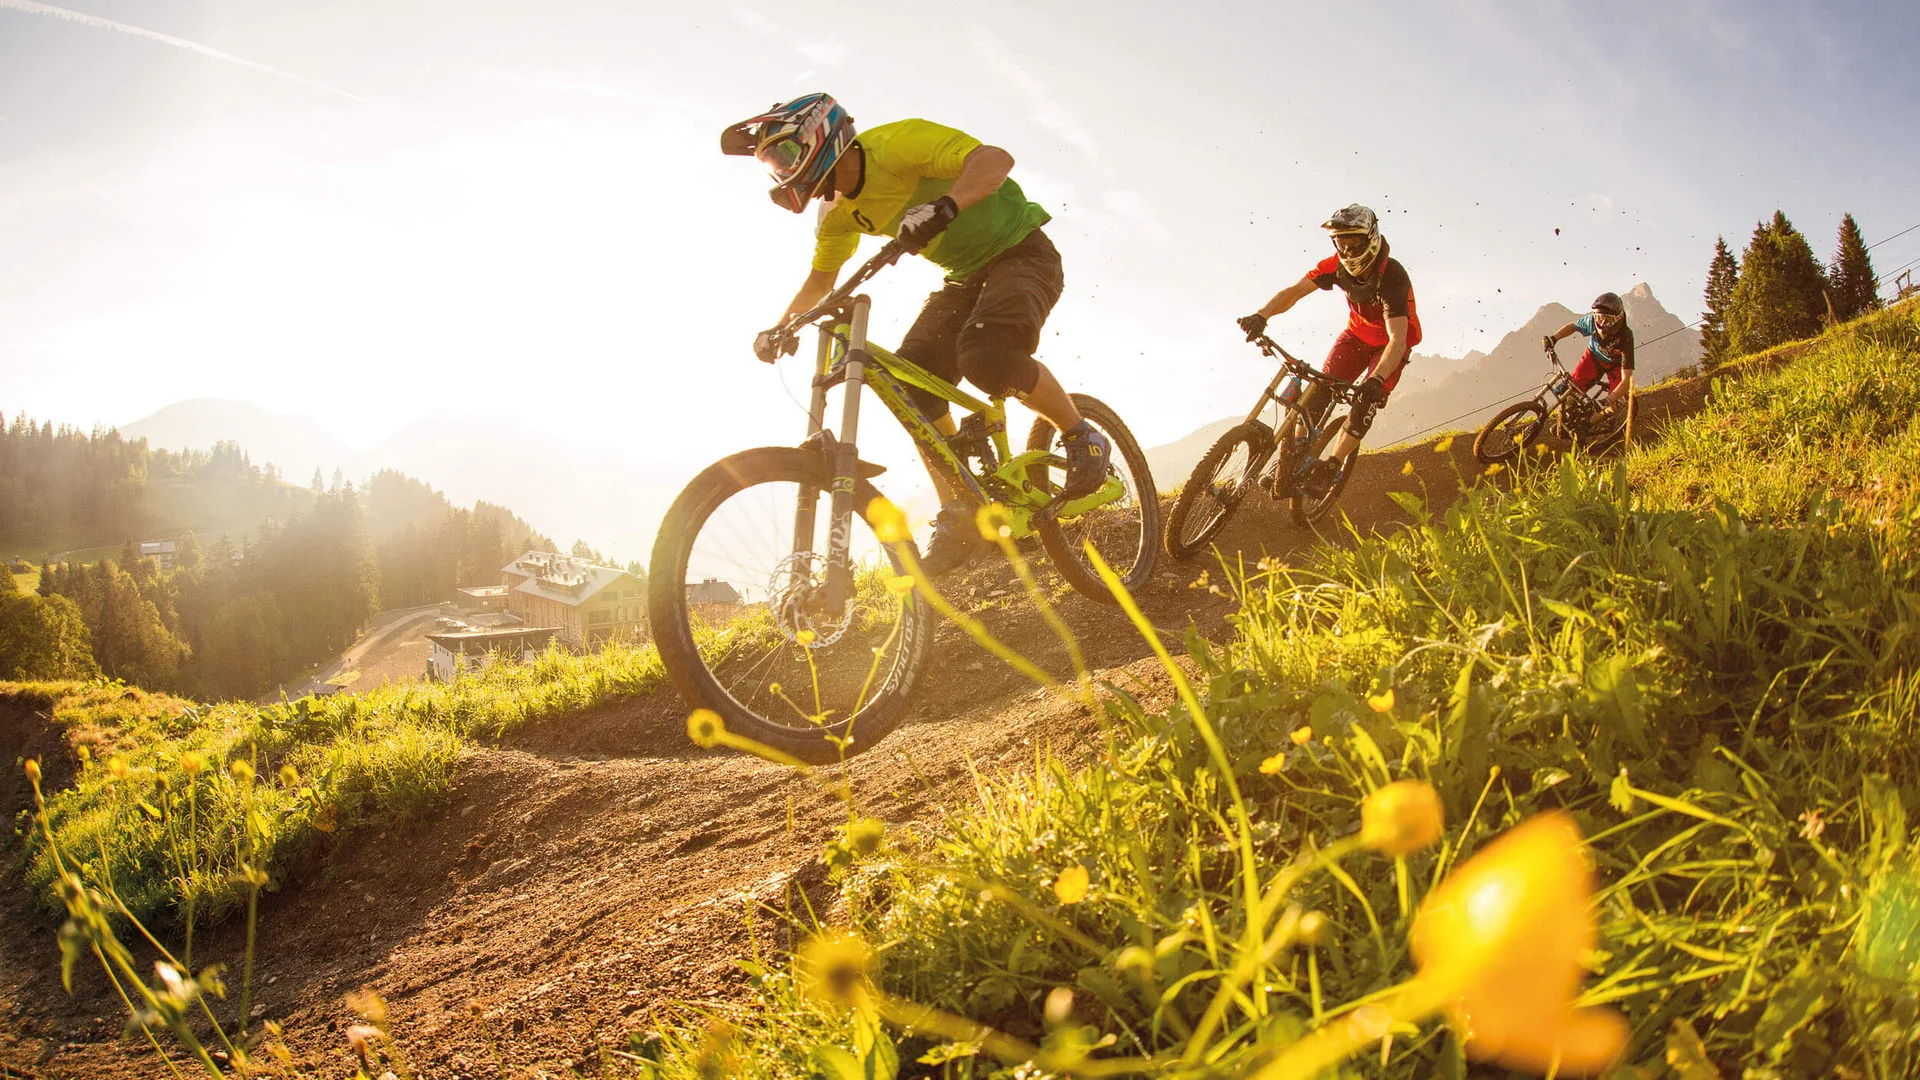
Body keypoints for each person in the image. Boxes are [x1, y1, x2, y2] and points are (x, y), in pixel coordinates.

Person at [723, 93, 1110, 576]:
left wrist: (948, 203)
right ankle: (963, 507)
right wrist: (782, 327)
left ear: (818, 133)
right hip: (965, 276)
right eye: (772, 166)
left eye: (783, 156)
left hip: (1021, 251)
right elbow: (822, 281)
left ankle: (1080, 433)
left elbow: (994, 160)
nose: (781, 172)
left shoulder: (895, 144)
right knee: (910, 383)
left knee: (986, 357)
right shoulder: (840, 213)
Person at [1237, 204, 1422, 500]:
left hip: (1390, 346)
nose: (1347, 252)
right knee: (1318, 391)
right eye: (1341, 243)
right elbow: (1295, 291)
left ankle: (1331, 466)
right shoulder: (1334, 266)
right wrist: (1262, 315)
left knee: (1363, 403)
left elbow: (1397, 339)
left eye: (1354, 244)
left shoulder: (1392, 277)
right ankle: (1290, 461)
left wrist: (1375, 380)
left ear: (1371, 239)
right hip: (1355, 336)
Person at [1545, 292, 1635, 411]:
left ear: (1618, 318)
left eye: (1607, 319)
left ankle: (1600, 419)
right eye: (1599, 317)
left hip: (1616, 365)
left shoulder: (1626, 337)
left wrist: (1610, 399)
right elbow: (1573, 327)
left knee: (1614, 403)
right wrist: (1553, 338)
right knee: (1572, 389)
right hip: (1593, 357)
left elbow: (1626, 380)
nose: (1602, 323)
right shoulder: (1591, 321)